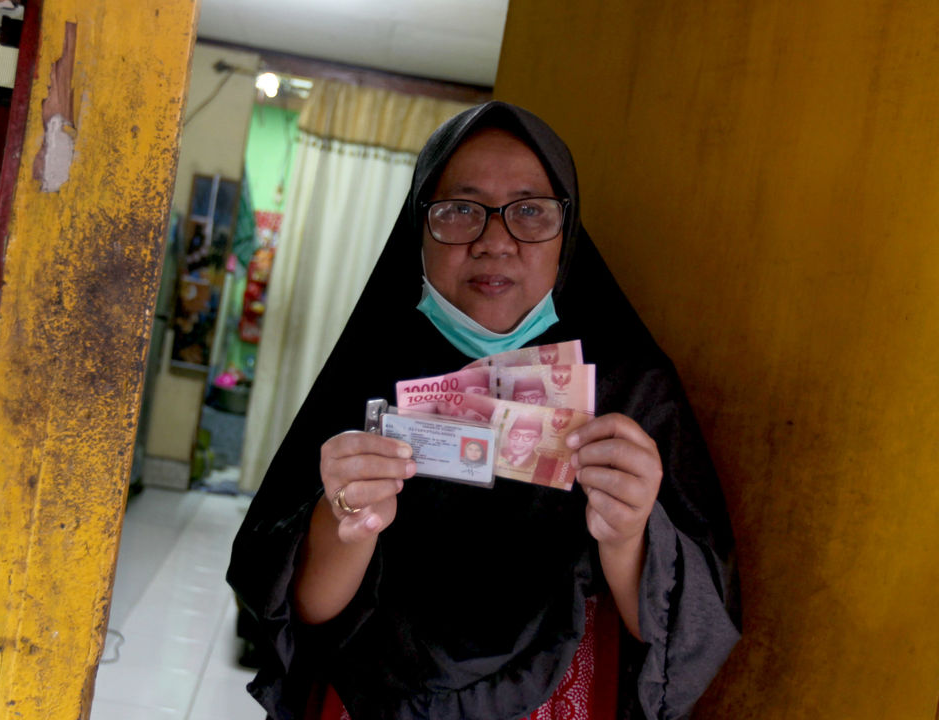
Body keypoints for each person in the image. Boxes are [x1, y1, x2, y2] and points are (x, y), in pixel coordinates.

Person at [227, 101, 740, 720]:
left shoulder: (629, 393)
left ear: (566, 234)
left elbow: (683, 633)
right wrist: (348, 524)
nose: (495, 242)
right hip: (374, 697)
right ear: (420, 227)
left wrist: (630, 535)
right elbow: (298, 608)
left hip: (558, 699)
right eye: (461, 210)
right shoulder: (367, 379)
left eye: (530, 211)